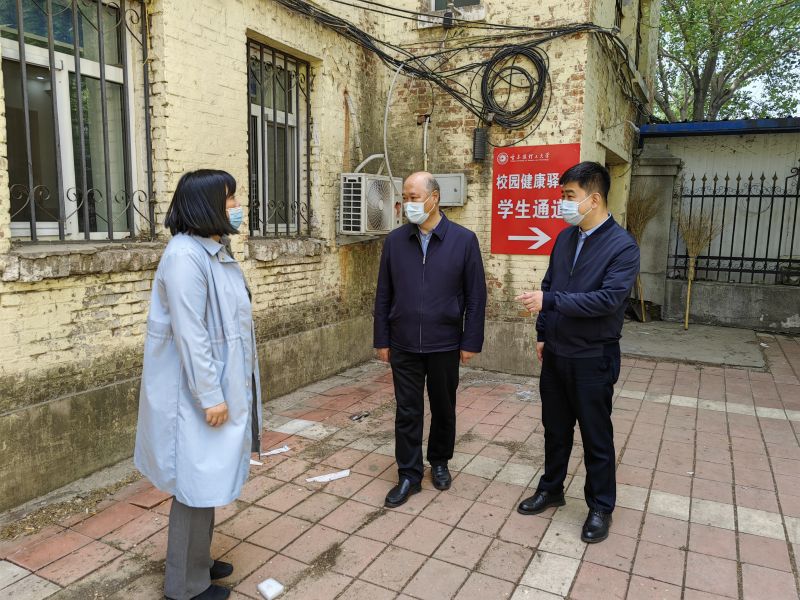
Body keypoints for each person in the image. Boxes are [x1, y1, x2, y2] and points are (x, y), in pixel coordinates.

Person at [134, 169, 261, 600]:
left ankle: (199, 561)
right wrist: (210, 396)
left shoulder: (213, 250)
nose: (236, 207)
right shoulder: (184, 257)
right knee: (194, 483)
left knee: (206, 478)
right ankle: (184, 587)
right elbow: (192, 335)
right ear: (205, 205)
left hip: (217, 383)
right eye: (229, 199)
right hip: (193, 393)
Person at [515, 161, 639, 544]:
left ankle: (600, 507)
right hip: (556, 353)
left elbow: (607, 300)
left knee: (596, 436)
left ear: (594, 199)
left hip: (593, 357)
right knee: (555, 429)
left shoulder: (622, 246)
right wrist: (542, 332)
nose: (563, 203)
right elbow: (549, 284)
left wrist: (551, 302)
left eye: (570, 196)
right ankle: (551, 488)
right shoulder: (566, 238)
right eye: (562, 195)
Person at [374, 171, 487, 508]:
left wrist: (470, 341)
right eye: (405, 197)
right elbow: (383, 294)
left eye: (414, 197)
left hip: (445, 342)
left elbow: (476, 296)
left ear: (434, 198)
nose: (407, 203)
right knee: (407, 410)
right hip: (403, 341)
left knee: (443, 407)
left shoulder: (463, 240)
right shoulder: (395, 242)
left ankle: (439, 461)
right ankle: (409, 474)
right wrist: (382, 339)